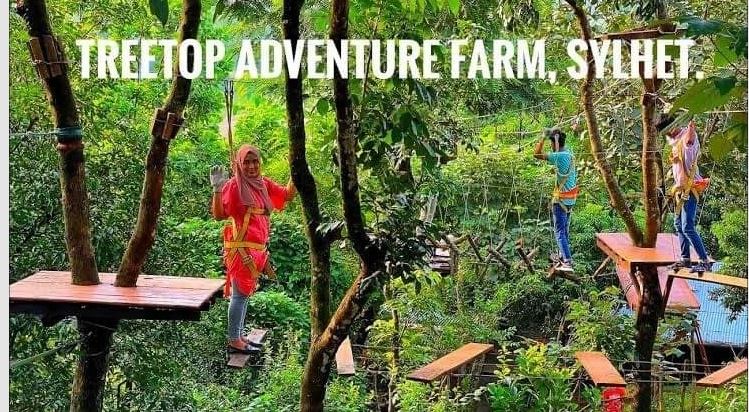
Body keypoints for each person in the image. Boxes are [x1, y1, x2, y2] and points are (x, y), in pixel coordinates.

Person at [210, 144, 296, 353]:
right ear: (239, 164)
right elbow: (219, 215)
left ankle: (238, 335)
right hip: (241, 250)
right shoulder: (233, 186)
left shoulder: (263, 184)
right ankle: (234, 339)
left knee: (245, 294)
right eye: (246, 162)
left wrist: (296, 170)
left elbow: (287, 195)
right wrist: (217, 189)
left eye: (255, 161)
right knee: (239, 295)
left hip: (258, 250)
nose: (251, 166)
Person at [659, 118, 711, 273]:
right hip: (680, 191)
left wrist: (691, 124)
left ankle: (704, 261)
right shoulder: (674, 141)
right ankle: (685, 259)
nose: (668, 132)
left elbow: (689, 139)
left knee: (687, 226)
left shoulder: (688, 139)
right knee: (678, 225)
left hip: (690, 189)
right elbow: (671, 136)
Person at [534, 127, 578, 273]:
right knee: (564, 230)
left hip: (561, 200)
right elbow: (558, 149)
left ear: (554, 144)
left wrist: (543, 136)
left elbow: (536, 154)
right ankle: (562, 255)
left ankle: (567, 261)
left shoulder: (558, 157)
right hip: (571, 200)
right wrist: (556, 137)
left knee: (559, 232)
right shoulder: (570, 153)